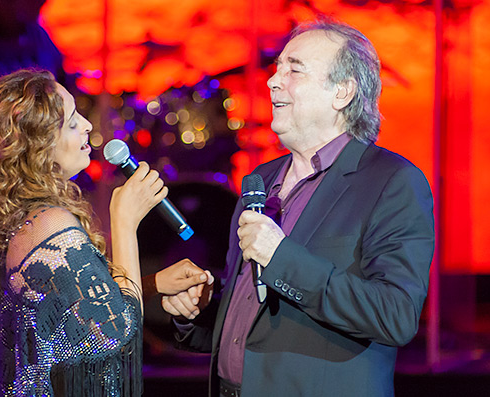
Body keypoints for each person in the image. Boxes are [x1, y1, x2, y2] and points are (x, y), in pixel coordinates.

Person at [162, 19, 435, 397]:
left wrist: (280, 256)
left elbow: (395, 315)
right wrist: (199, 312)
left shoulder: (391, 181)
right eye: (276, 69)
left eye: (294, 69)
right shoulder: (261, 180)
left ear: (342, 92)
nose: (274, 81)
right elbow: (253, 314)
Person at [0, 68, 212, 396]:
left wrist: (151, 284)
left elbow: (69, 311)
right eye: (72, 123)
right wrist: (125, 221)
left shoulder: (26, 220)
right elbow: (117, 338)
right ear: (39, 148)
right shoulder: (49, 224)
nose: (87, 126)